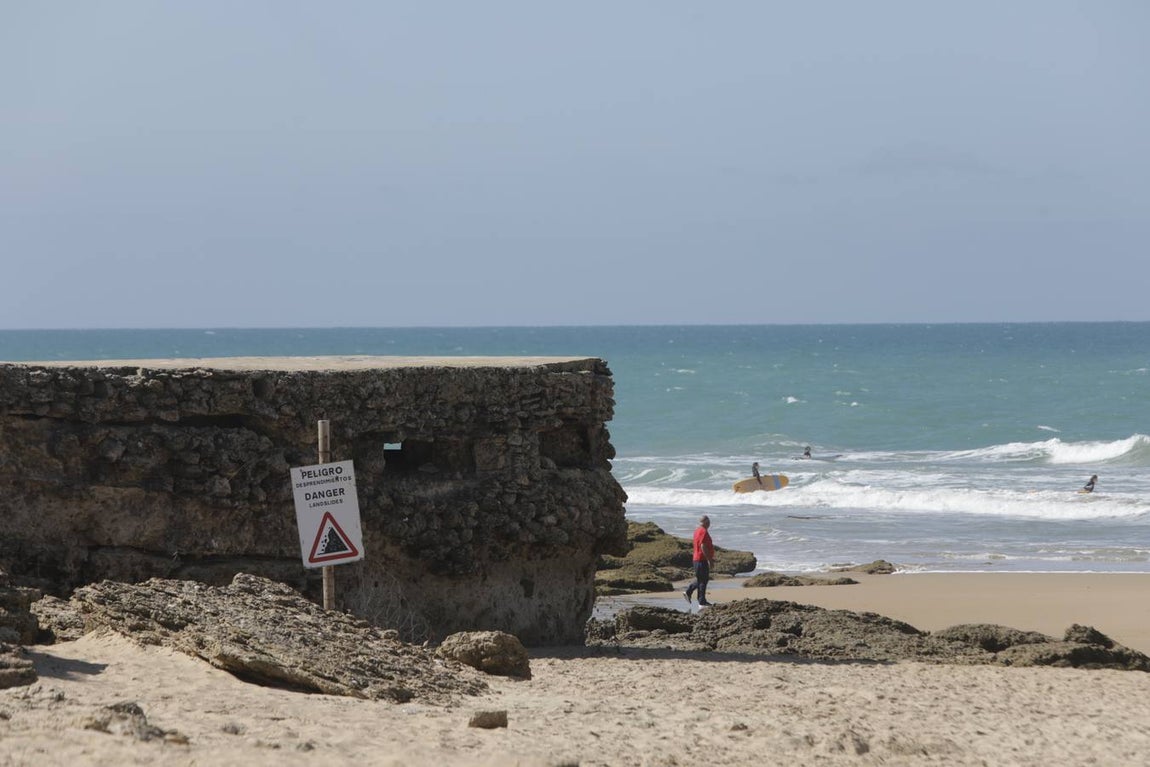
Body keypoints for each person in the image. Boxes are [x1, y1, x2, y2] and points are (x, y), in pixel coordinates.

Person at [684, 515, 716, 607]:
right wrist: (710, 560)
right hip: (701, 559)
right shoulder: (703, 531)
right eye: (709, 521)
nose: (709, 523)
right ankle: (702, 602)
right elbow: (703, 546)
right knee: (703, 580)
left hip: (697, 559)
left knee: (701, 579)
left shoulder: (697, 530)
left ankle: (689, 593)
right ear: (706, 522)